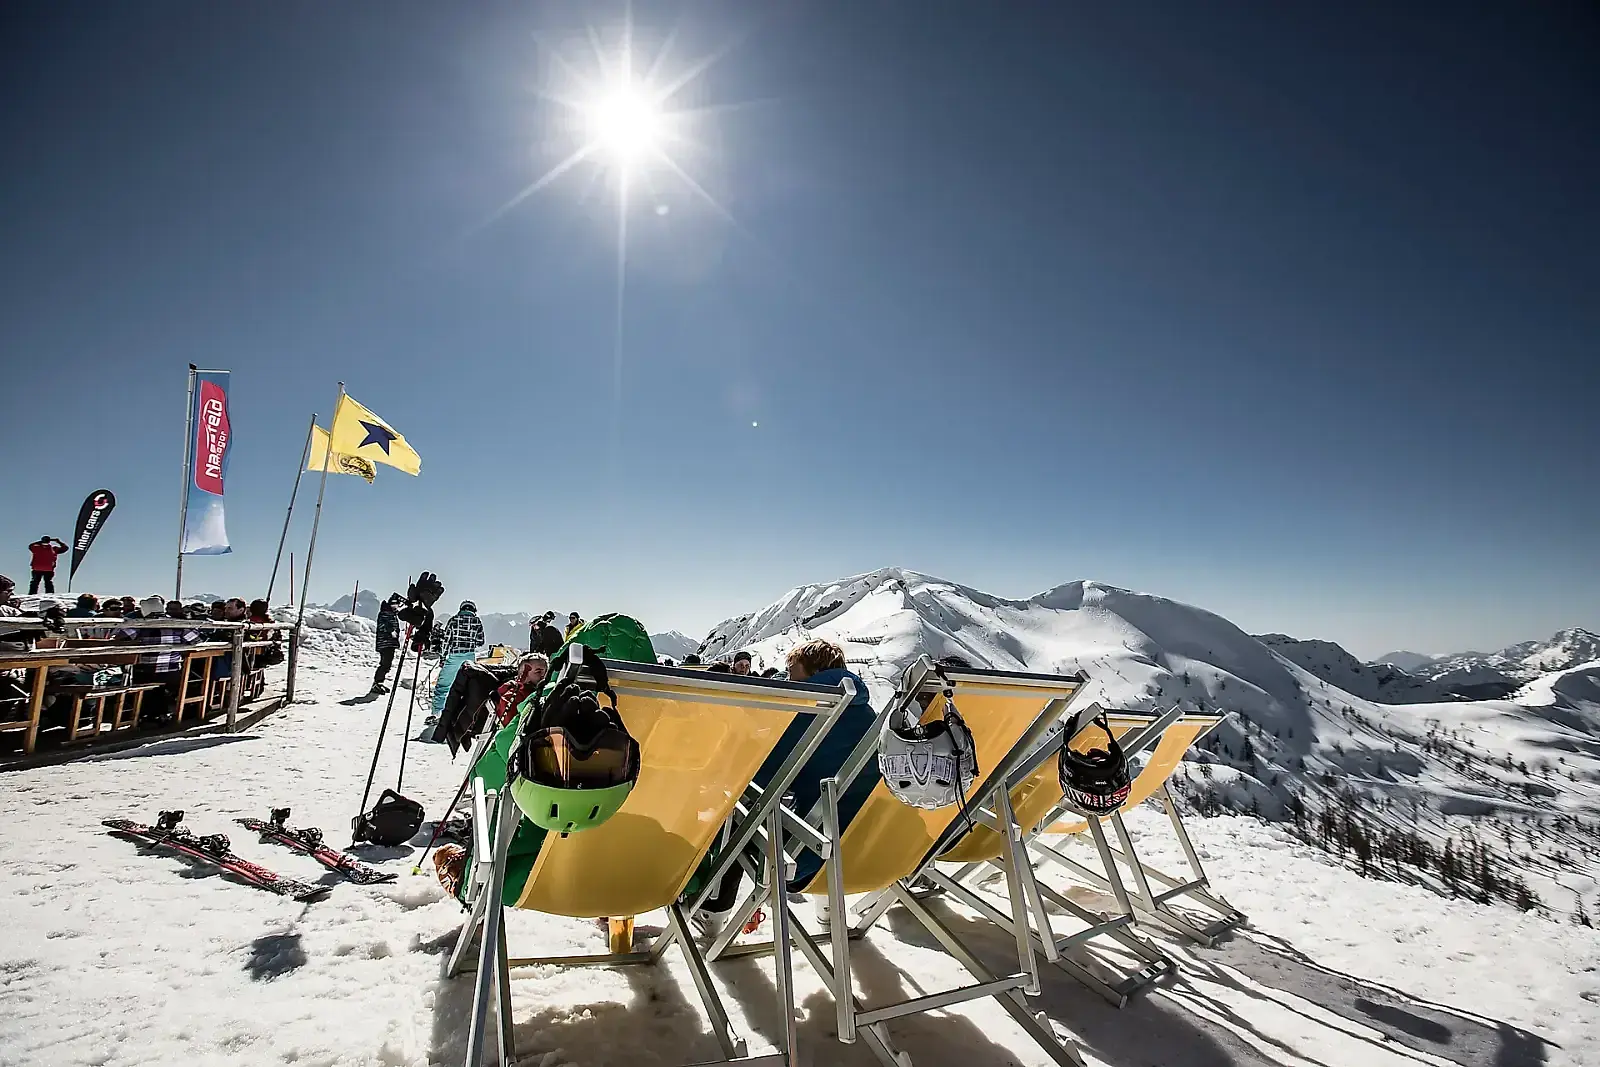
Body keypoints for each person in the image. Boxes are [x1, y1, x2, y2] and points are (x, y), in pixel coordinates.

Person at [696, 638, 875, 937]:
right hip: (870, 853)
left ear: (813, 672)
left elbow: (756, 776)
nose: (789, 679)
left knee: (736, 814)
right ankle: (828, 914)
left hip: (812, 858)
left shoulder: (808, 713)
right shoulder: (869, 713)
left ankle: (712, 914)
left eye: (793, 671)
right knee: (831, 808)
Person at [429, 600, 485, 724]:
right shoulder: (477, 621)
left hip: (454, 656)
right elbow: (481, 642)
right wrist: (470, 641)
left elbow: (446, 641)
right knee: (467, 687)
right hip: (469, 657)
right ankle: (462, 716)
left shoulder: (454, 620)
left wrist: (443, 658)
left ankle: (436, 714)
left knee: (443, 686)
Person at [372, 594, 403, 694]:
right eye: (394, 605)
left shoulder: (392, 614)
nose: (396, 607)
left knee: (387, 664)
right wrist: (391, 631)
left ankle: (379, 682)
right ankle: (377, 683)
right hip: (385, 642)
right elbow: (382, 625)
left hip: (390, 643)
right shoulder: (385, 613)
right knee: (385, 664)